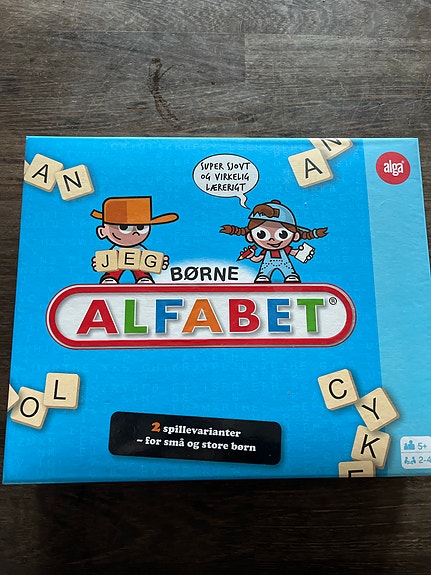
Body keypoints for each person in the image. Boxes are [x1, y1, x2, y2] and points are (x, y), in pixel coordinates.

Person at [220, 199, 327, 283]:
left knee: (290, 274)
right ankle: (264, 277)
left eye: (282, 234)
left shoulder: (285, 249)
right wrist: (251, 256)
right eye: (261, 234)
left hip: (285, 264)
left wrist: (302, 253)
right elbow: (258, 259)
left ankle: (290, 276)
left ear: (295, 236)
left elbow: (294, 253)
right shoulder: (265, 251)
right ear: (250, 237)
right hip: (267, 266)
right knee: (263, 276)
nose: (272, 239)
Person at [91, 196, 178, 284]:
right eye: (123, 227)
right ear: (102, 232)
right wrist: (99, 263)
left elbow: (150, 262)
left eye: (141, 227)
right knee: (114, 264)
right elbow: (105, 262)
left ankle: (144, 278)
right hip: (115, 261)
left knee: (140, 263)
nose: (135, 233)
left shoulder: (141, 251)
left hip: (140, 261)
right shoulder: (113, 252)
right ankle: (110, 278)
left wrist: (160, 263)